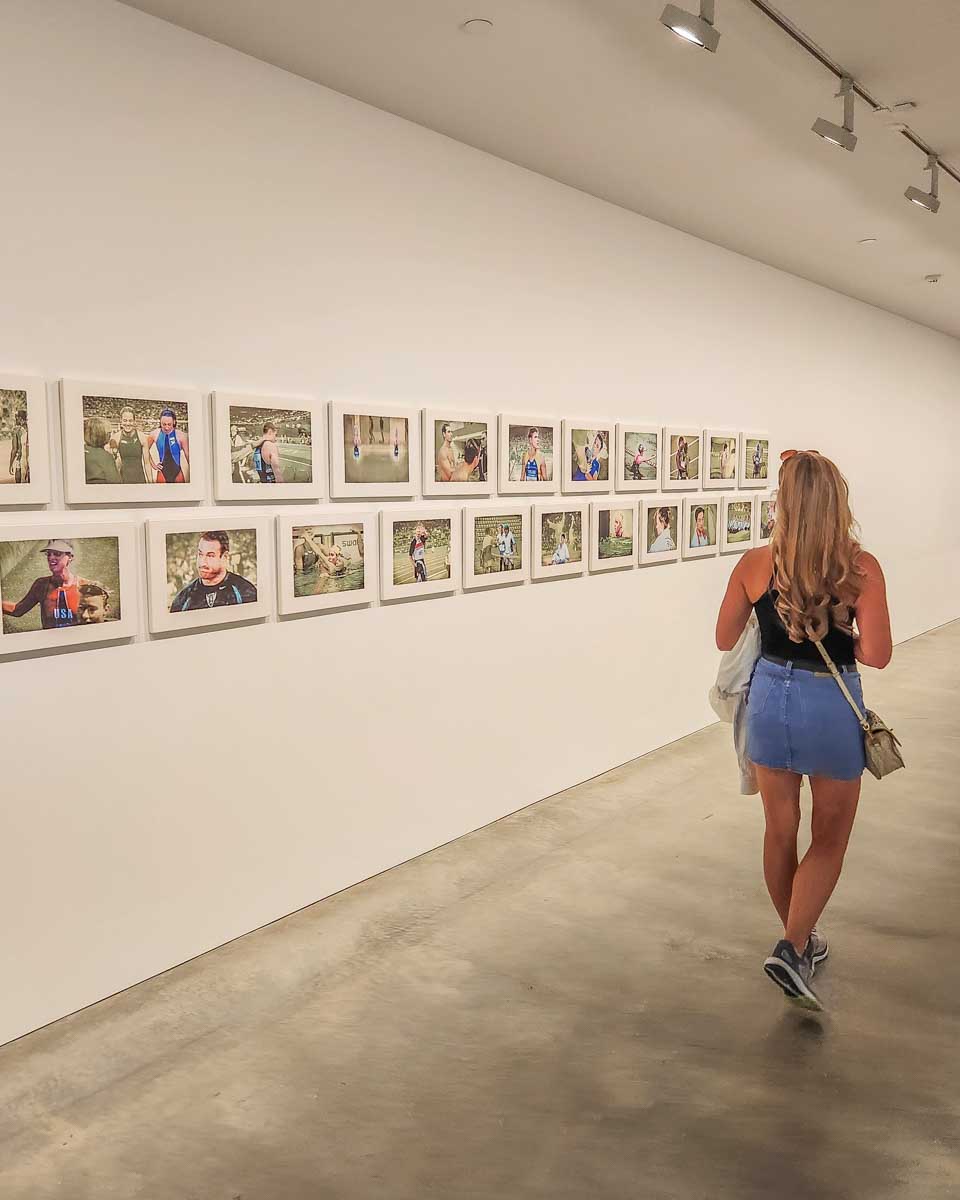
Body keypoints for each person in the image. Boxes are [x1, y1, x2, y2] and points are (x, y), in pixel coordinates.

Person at [715, 451, 892, 1012]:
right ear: (837, 502)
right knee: (830, 838)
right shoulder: (860, 569)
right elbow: (877, 654)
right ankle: (793, 945)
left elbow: (724, 639)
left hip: (769, 698)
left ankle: (799, 943)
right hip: (829, 702)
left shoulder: (754, 565)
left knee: (779, 831)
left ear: (783, 505)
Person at [2, 540, 94, 628]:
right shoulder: (41, 585)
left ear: (70, 557)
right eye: (48, 554)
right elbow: (18, 610)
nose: (51, 558)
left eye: (57, 554)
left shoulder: (86, 586)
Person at [170, 531, 257, 611]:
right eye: (200, 554)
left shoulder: (245, 592)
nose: (202, 562)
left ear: (225, 557)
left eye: (210, 556)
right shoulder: (183, 600)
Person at [146, 408, 190, 484]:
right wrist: (153, 465)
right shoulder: (154, 434)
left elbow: (189, 458)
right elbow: (144, 450)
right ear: (160, 422)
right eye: (164, 424)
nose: (166, 427)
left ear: (174, 422)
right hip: (162, 473)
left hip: (177, 473)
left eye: (169, 424)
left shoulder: (182, 436)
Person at [113, 407, 150, 484]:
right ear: (121, 421)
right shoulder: (116, 438)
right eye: (125, 420)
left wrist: (151, 482)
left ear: (134, 421)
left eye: (130, 421)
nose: (127, 423)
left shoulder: (142, 437)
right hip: (123, 480)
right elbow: (112, 464)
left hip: (140, 479)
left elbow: (147, 463)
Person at [84, 416, 121, 485]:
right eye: (109, 433)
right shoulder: (106, 457)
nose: (110, 435)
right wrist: (117, 467)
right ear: (101, 435)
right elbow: (115, 483)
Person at [9, 409, 28, 484]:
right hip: (30, 458)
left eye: (16, 417)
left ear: (19, 418)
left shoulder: (16, 430)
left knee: (19, 483)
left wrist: (10, 465)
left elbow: (14, 449)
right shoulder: (30, 427)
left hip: (20, 459)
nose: (15, 419)